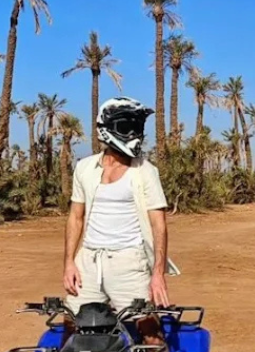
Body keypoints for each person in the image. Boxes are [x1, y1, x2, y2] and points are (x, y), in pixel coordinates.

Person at [63, 97, 177, 313]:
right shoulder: (85, 168)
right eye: (126, 127)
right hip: (88, 260)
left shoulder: (145, 171)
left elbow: (158, 224)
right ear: (106, 128)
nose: (133, 134)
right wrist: (69, 263)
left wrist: (158, 274)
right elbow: (75, 217)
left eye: (137, 128)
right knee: (73, 325)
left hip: (129, 262)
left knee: (149, 332)